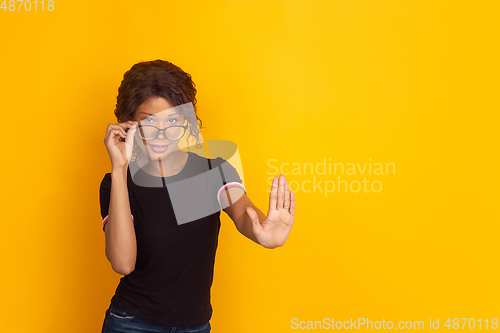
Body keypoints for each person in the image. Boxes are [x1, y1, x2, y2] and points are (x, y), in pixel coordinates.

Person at [99, 59, 295, 333]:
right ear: (129, 122)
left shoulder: (213, 172)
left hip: (194, 326)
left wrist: (264, 233)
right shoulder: (116, 183)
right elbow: (123, 264)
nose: (161, 133)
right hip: (132, 324)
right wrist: (119, 168)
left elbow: (244, 214)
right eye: (148, 122)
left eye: (172, 120)